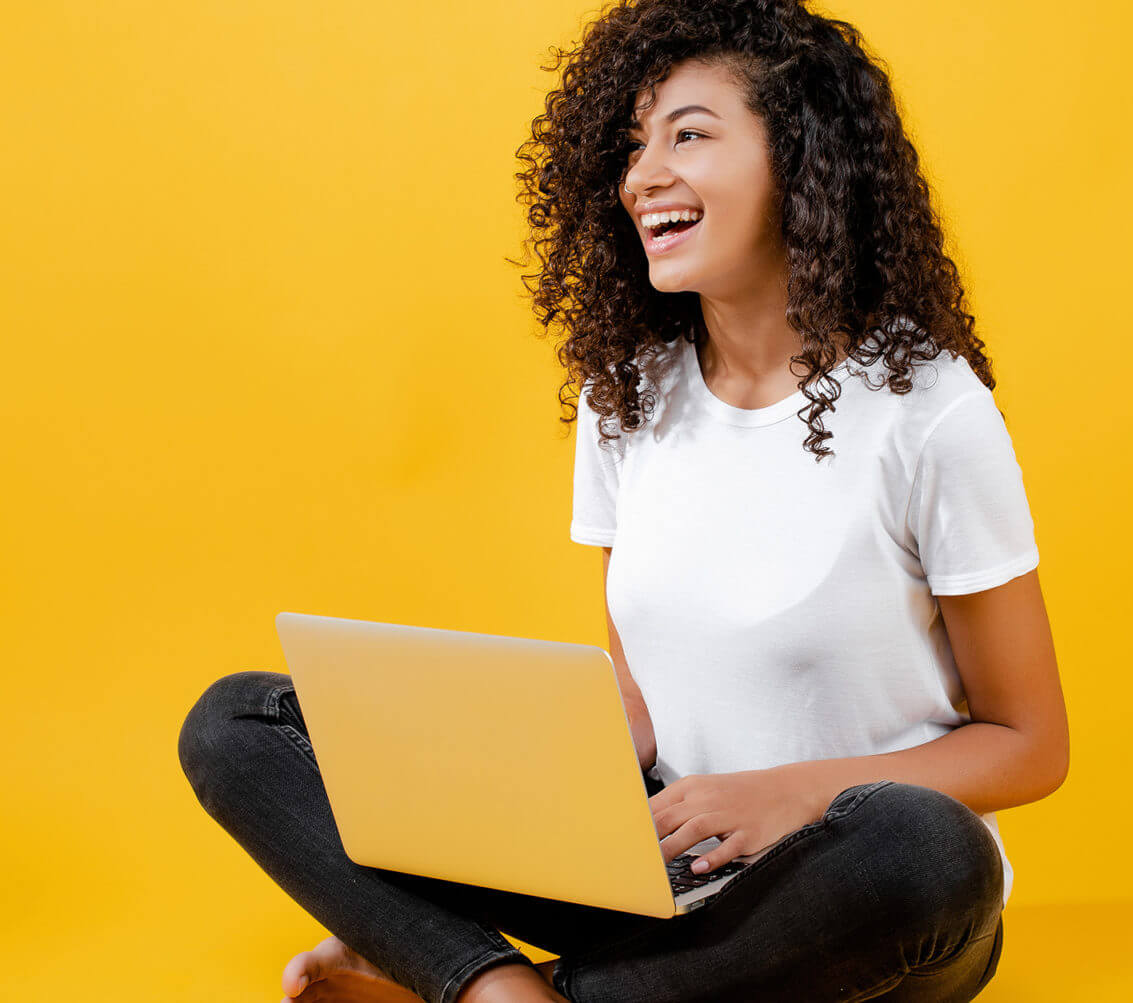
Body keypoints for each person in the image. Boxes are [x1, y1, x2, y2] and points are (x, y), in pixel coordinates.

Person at [176, 2, 1069, 1000]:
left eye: (688, 133)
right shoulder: (628, 394)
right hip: (662, 867)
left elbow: (1030, 743)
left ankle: (469, 979)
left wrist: (788, 797)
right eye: (633, 144)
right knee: (236, 725)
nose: (642, 175)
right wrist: (517, 764)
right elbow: (637, 686)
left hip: (843, 890)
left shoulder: (930, 413)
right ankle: (502, 990)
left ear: (802, 155)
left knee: (933, 857)